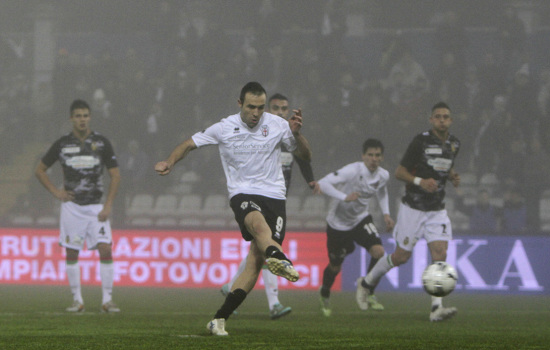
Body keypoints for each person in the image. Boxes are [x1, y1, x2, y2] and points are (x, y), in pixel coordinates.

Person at [154, 82, 311, 336]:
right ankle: (280, 258)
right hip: (243, 193)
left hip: (274, 196)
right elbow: (188, 144)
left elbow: (306, 156)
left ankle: (219, 319)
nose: (256, 113)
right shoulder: (224, 127)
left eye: (260, 107)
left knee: (254, 262)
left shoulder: (279, 124)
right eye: (251, 107)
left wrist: (298, 134)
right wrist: (169, 161)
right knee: (258, 225)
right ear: (240, 104)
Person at [355, 101, 461, 322]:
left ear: (451, 121)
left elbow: (445, 163)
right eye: (438, 116)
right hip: (413, 207)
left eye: (446, 116)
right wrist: (421, 181)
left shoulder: (454, 144)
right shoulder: (420, 141)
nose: (442, 119)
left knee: (440, 255)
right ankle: (365, 283)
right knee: (401, 257)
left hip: (436, 209)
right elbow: (399, 172)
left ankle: (436, 309)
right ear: (431, 120)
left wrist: (452, 175)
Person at [220, 92, 320, 320]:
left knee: (259, 249)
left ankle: (231, 286)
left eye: (284, 109)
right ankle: (274, 303)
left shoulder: (287, 135)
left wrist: (310, 179)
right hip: (258, 197)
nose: (281, 113)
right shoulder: (263, 134)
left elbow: (302, 157)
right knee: (268, 249)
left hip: (276, 199)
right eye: (275, 108)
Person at [34, 99, 121, 313]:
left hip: (96, 208)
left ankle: (107, 300)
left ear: (90, 117)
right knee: (72, 252)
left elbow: (115, 174)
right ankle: (77, 300)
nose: (82, 119)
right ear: (71, 118)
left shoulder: (101, 142)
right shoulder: (62, 144)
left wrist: (108, 204)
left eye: (85, 115)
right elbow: (40, 170)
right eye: (78, 116)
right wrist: (56, 192)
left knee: (105, 248)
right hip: (72, 207)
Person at [317, 138, 394, 317]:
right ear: (363, 156)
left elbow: (382, 190)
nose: (374, 159)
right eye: (370, 155)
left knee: (379, 252)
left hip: (360, 219)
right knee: (335, 267)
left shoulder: (383, 175)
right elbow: (323, 183)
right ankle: (324, 294)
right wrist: (344, 197)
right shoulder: (352, 170)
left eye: (377, 155)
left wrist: (386, 214)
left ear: (382, 157)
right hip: (338, 225)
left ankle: (367, 289)